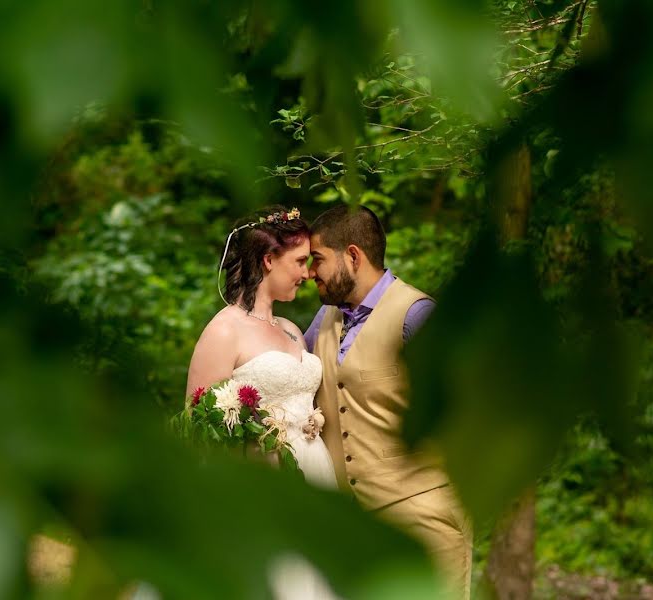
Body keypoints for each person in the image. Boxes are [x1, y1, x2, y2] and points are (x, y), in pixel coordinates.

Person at [304, 204, 472, 599]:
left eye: (317, 260)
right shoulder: (324, 320)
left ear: (353, 256)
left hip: (424, 525)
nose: (311, 273)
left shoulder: (417, 315)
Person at [186, 205, 337, 490]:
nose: (307, 274)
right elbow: (200, 428)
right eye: (300, 261)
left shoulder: (291, 329)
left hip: (315, 468)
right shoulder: (224, 331)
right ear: (269, 260)